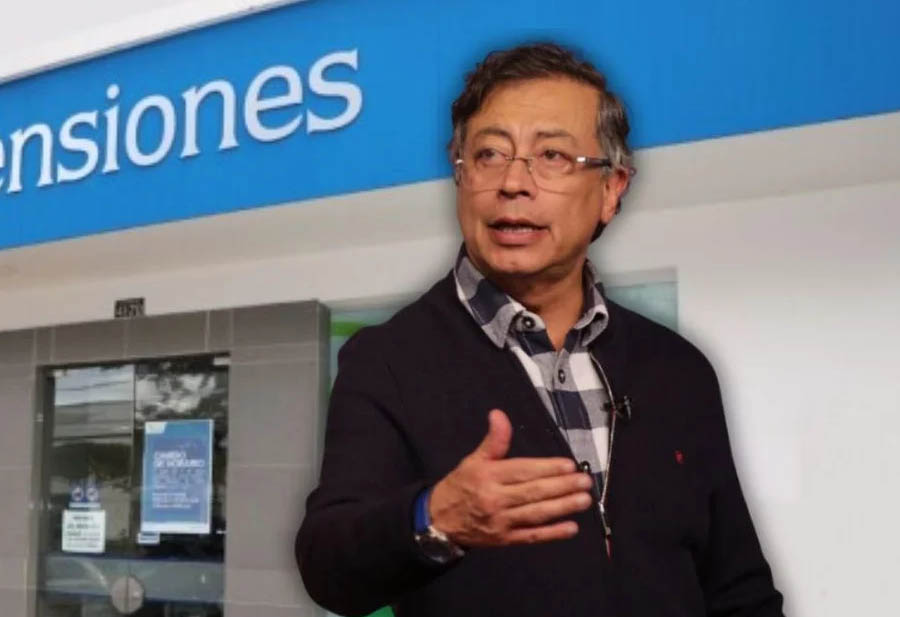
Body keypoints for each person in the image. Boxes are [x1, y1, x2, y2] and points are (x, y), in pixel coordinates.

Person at [296, 42, 784, 617]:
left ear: (611, 190)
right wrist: (434, 519)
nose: (512, 182)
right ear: (460, 176)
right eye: (488, 154)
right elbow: (328, 566)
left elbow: (738, 588)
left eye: (552, 155)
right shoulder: (387, 361)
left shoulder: (678, 369)